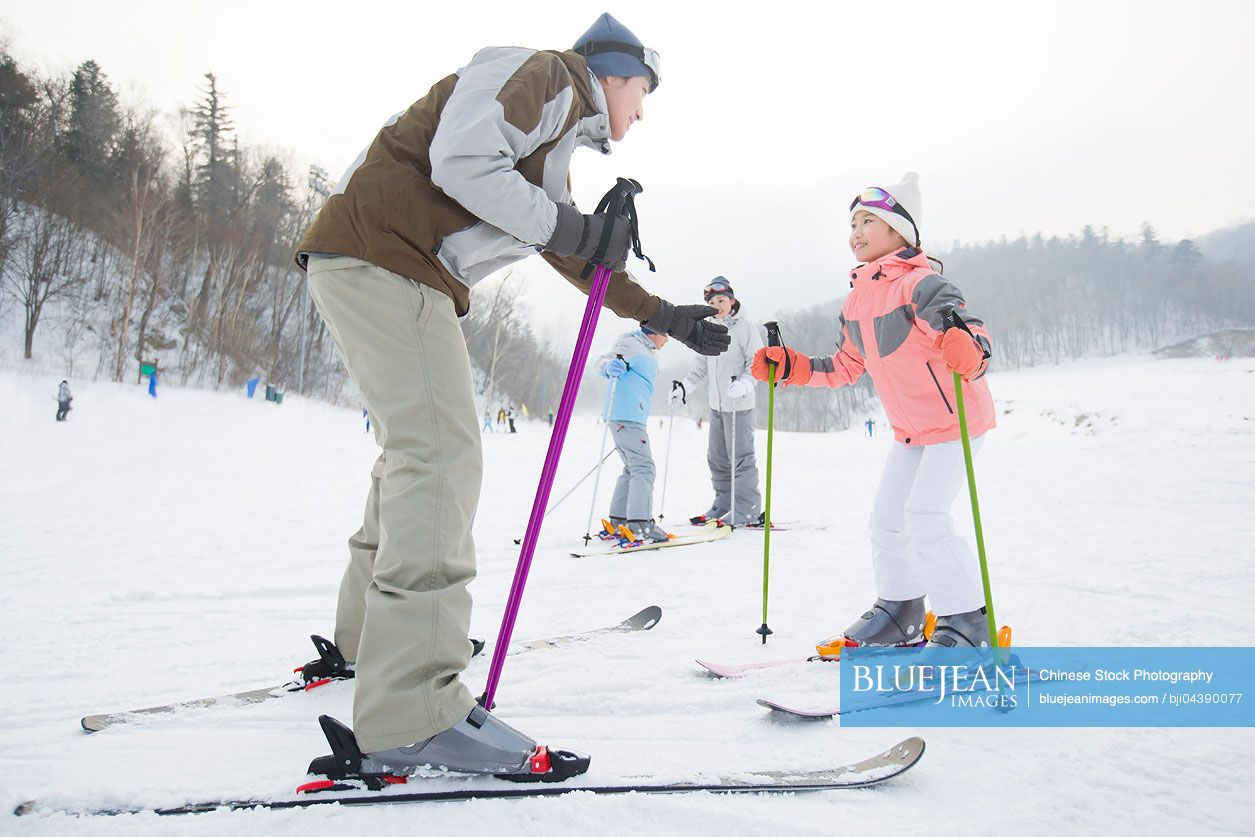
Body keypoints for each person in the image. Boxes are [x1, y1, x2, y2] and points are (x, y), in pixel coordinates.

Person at [293, 13, 728, 781]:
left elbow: (563, 243)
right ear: (614, 71)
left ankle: (373, 647)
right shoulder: (549, 77)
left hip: (371, 257)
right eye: (642, 90)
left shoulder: (549, 131)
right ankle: (411, 713)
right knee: (441, 459)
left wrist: (662, 315)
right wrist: (572, 224)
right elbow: (465, 163)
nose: (642, 110)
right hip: (390, 262)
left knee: (413, 456)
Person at [751, 172, 997, 651]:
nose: (856, 232)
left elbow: (974, 334)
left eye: (868, 220)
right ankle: (901, 611)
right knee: (887, 519)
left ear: (899, 231)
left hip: (956, 424)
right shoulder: (858, 299)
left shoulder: (924, 285)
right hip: (911, 432)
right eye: (852, 223)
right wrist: (793, 368)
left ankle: (967, 625)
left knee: (926, 515)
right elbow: (845, 366)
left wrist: (971, 350)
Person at [670, 278, 764, 526]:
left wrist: (745, 383)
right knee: (718, 457)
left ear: (732, 300)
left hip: (740, 405)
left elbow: (756, 363)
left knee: (741, 456)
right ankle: (724, 502)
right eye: (712, 302)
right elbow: (701, 364)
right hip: (717, 406)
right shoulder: (709, 327)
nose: (717, 305)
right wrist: (685, 387)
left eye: (721, 300)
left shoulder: (746, 328)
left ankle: (747, 507)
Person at [596, 326, 669, 543]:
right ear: (654, 332)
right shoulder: (631, 343)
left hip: (629, 415)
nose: (667, 340)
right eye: (666, 334)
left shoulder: (645, 349)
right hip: (627, 416)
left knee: (632, 468)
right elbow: (602, 362)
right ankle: (640, 524)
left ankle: (620, 520)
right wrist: (608, 366)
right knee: (644, 468)